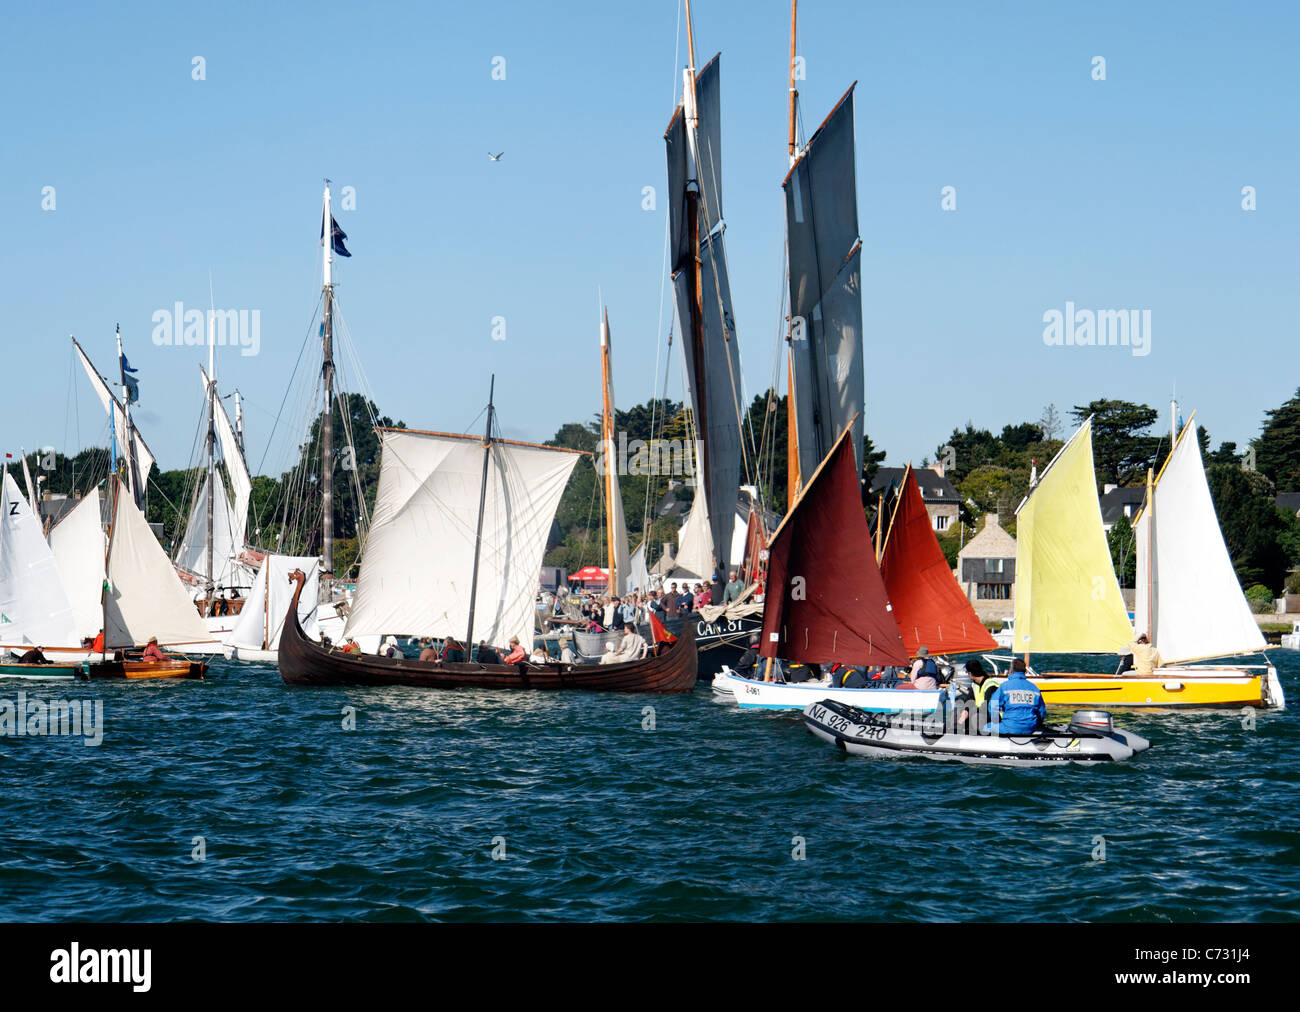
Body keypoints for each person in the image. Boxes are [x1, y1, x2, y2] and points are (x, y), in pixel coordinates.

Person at [985, 658, 1047, 735]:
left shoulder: (1005, 686)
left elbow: (992, 706)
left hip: (1010, 727)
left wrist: (997, 721)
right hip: (1030, 728)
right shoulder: (1034, 688)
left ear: (1011, 670)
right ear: (1025, 671)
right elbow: (1042, 711)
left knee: (985, 727)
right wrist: (1037, 724)